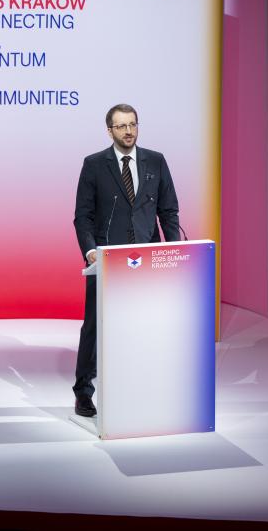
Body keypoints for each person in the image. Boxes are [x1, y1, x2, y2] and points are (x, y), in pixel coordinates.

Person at [72, 104, 181, 417]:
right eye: (121, 126)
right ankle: (83, 392)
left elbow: (168, 211)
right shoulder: (94, 165)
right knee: (94, 325)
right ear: (110, 131)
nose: (128, 131)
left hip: (148, 258)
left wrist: (172, 251)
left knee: (146, 324)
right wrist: (91, 250)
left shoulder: (156, 162)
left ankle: (145, 386)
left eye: (132, 124)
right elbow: (83, 216)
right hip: (107, 260)